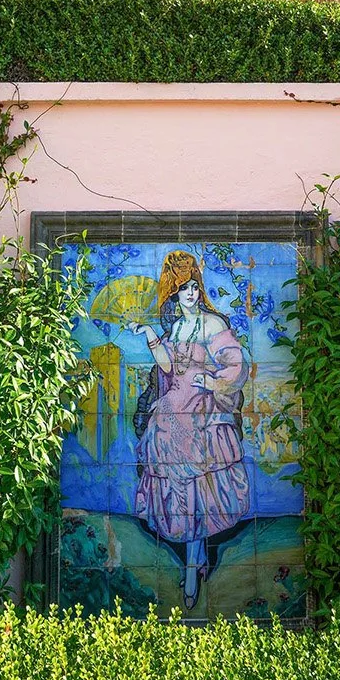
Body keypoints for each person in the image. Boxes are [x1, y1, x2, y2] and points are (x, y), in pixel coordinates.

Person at [124, 250, 251, 610]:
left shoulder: (212, 324)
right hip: (171, 414)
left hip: (201, 413)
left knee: (200, 489)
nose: (191, 294)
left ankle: (194, 567)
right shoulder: (176, 327)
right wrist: (151, 334)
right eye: (183, 289)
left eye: (194, 287)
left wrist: (211, 382)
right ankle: (194, 560)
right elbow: (167, 367)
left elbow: (236, 365)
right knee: (180, 489)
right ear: (174, 295)